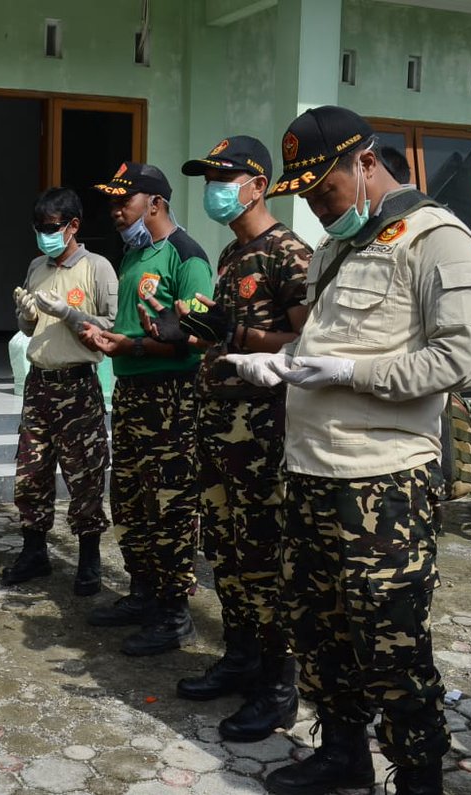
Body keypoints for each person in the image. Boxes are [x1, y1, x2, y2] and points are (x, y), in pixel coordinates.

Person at [228, 106, 471, 795]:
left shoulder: (437, 237)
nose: (318, 209)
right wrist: (282, 362)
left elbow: (461, 361)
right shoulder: (334, 249)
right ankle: (343, 752)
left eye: (327, 192)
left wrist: (350, 374)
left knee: (392, 641)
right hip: (309, 470)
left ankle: (419, 775)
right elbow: (323, 344)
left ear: (366, 163)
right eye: (308, 198)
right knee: (321, 631)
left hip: (382, 484)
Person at [160, 136, 312, 742]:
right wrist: (194, 330)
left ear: (258, 184)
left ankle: (278, 687)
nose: (213, 187)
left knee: (264, 558)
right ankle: (241, 657)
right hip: (220, 431)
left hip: (266, 435)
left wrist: (241, 333)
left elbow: (307, 346)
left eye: (225, 177)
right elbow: (225, 336)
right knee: (226, 552)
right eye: (208, 176)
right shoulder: (230, 253)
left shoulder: (289, 254)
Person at [77, 162, 214, 656]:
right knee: (132, 500)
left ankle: (175, 613)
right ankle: (142, 594)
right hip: (133, 395)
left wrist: (130, 348)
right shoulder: (135, 254)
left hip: (172, 398)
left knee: (171, 505)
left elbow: (198, 342)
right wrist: (112, 339)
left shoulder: (186, 257)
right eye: (113, 203)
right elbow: (137, 330)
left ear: (154, 203)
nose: (115, 211)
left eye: (124, 202)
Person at [2, 187, 117, 595]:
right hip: (40, 385)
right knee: (30, 474)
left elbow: (109, 328)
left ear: (73, 226)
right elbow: (32, 329)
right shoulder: (37, 266)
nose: (44, 235)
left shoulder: (98, 268)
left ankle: (89, 559)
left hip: (77, 385)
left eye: (51, 227)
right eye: (38, 228)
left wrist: (68, 313)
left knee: (84, 475)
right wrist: (27, 317)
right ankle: (34, 551)